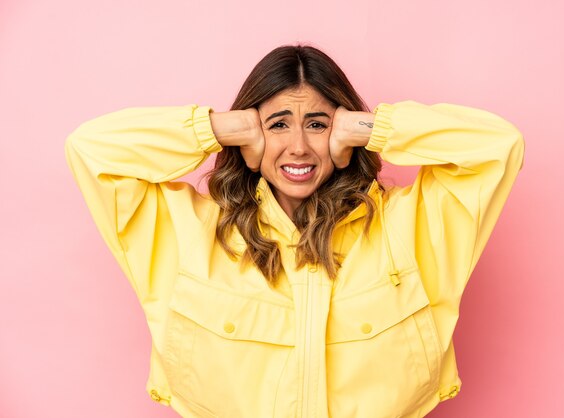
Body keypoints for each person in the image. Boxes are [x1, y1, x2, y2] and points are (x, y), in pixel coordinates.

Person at [65, 44, 525, 418]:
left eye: (318, 124)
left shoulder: (411, 226)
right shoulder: (189, 231)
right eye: (278, 124)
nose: (299, 148)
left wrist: (372, 126)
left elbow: (497, 146)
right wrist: (216, 128)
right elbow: (92, 151)